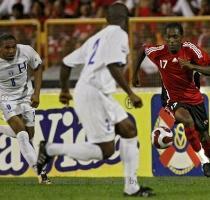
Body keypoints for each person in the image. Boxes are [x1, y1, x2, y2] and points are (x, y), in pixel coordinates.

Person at [37, 2, 154, 197]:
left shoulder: (95, 38)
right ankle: (50, 149)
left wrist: (64, 89)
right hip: (93, 93)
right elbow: (112, 66)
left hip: (96, 92)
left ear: (106, 19)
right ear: (127, 20)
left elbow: (66, 63)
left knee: (129, 130)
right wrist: (130, 93)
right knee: (105, 151)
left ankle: (131, 187)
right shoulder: (120, 34)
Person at [132, 22, 210, 177]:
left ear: (181, 37)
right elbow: (143, 49)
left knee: (205, 136)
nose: (172, 40)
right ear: (165, 38)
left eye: (175, 37)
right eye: (168, 37)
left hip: (195, 99)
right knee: (186, 119)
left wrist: (191, 66)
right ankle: (204, 162)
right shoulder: (159, 52)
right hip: (171, 99)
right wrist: (134, 75)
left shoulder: (190, 49)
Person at [0, 33, 51, 184]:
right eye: (7, 48)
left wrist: (36, 93)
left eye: (13, 47)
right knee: (22, 135)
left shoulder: (26, 51)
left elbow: (38, 67)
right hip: (5, 98)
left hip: (26, 95)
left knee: (28, 135)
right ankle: (41, 173)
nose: (11, 51)